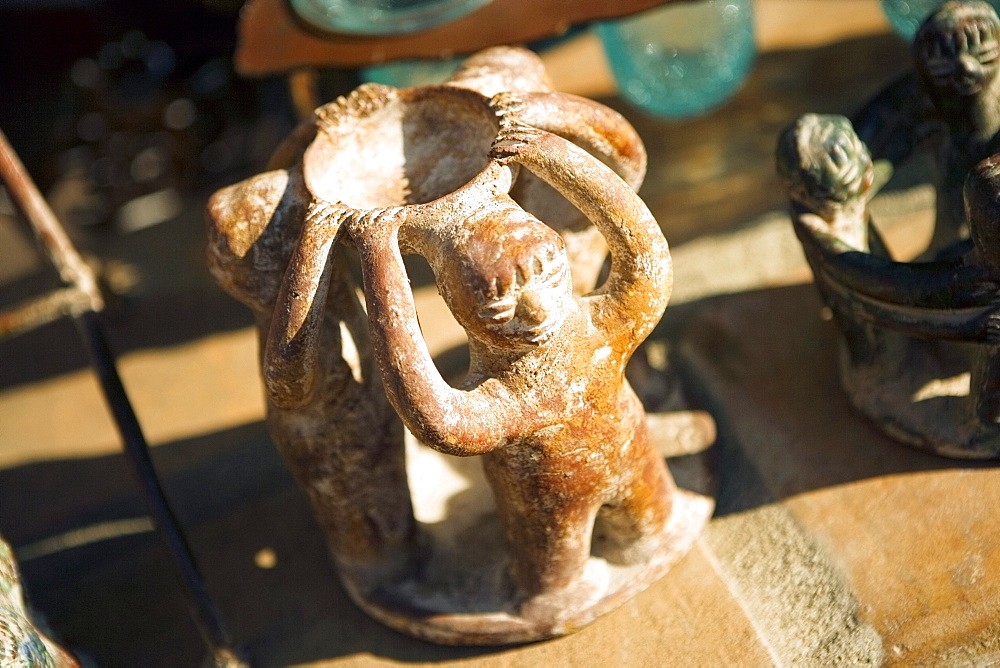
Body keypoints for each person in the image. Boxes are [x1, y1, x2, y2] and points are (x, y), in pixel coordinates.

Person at [340, 124, 678, 611]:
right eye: (500, 305)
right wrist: (381, 260)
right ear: (459, 307)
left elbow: (645, 254)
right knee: (554, 587)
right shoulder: (508, 393)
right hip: (546, 505)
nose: (538, 310)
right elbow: (436, 419)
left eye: (549, 273)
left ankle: (639, 537)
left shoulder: (600, 325)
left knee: (652, 529)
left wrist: (554, 155)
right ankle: (557, 586)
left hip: (633, 457)